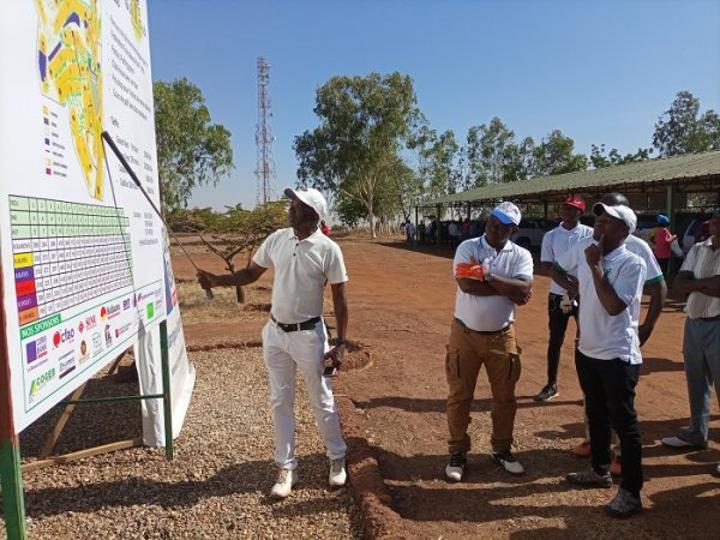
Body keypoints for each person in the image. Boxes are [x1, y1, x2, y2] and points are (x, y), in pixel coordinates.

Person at [197, 187, 349, 499]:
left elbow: (340, 297)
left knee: (321, 400)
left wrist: (342, 341)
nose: (290, 208)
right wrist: (217, 280)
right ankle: (286, 467)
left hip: (309, 336)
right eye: (291, 203)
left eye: (297, 205)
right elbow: (250, 274)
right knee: (280, 401)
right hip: (276, 334)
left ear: (314, 215)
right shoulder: (278, 238)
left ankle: (336, 458)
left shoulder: (329, 250)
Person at [554, 193, 666, 476]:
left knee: (623, 420)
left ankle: (629, 483)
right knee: (595, 413)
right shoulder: (587, 249)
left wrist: (647, 327)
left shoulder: (633, 259)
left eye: (607, 221)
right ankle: (599, 470)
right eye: (599, 219)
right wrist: (578, 289)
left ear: (623, 229)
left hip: (616, 352)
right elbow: (559, 270)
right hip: (587, 348)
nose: (599, 224)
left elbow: (615, 306)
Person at [444, 201, 533, 481]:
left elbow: (525, 288)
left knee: (505, 397)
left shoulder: (521, 255)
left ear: (513, 230)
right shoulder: (468, 247)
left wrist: (487, 274)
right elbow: (466, 284)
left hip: (502, 336)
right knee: (460, 396)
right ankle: (457, 452)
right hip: (464, 335)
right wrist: (508, 288)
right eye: (493, 220)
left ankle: (501, 449)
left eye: (503, 224)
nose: (495, 226)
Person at [660, 209, 720, 477]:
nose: (715, 224)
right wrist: (706, 284)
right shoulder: (698, 248)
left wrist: (694, 284)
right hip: (694, 322)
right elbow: (677, 283)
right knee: (696, 381)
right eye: (714, 219)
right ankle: (697, 432)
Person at [534, 195, 593, 402]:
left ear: (580, 212)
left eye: (573, 209)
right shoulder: (551, 236)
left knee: (586, 341)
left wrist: (579, 287)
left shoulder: (590, 234)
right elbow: (547, 265)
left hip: (586, 296)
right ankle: (551, 385)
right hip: (558, 294)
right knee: (555, 340)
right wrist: (570, 286)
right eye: (565, 208)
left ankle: (589, 390)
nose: (568, 212)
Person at [650, 214, 676, 278]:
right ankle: (663, 281)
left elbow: (652, 239)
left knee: (658, 268)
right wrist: (673, 237)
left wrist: (656, 244)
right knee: (664, 269)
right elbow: (665, 241)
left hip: (658, 252)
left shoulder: (656, 230)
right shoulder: (663, 230)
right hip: (664, 254)